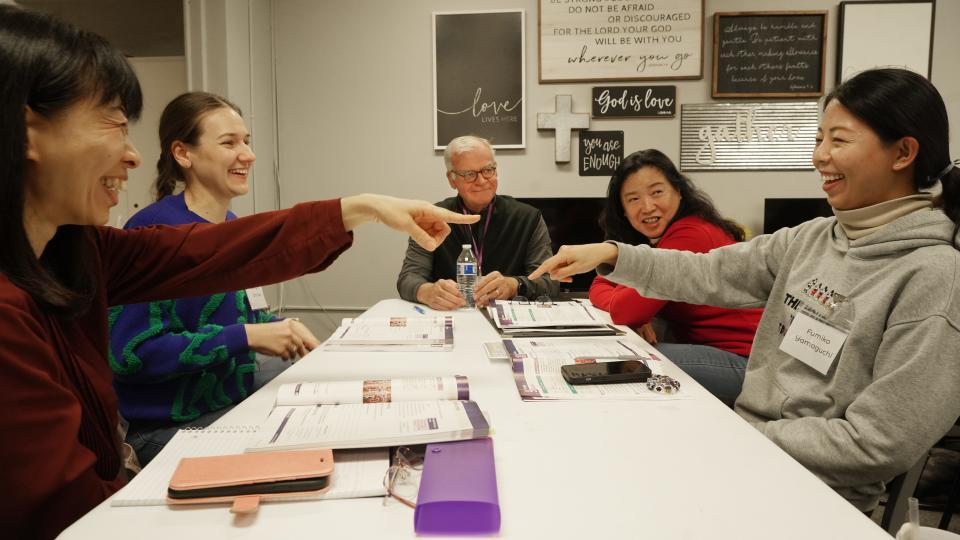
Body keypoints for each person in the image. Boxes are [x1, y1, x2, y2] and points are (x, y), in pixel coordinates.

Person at [0, 6, 478, 538]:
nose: (131, 155)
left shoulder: (76, 247)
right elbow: (64, 508)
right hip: (169, 435)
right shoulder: (31, 299)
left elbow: (223, 251)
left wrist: (358, 207)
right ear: (28, 132)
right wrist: (247, 335)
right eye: (113, 122)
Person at [530, 68, 960, 514]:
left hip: (810, 498)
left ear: (903, 152)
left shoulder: (933, 276)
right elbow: (708, 273)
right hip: (749, 460)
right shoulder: (812, 239)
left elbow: (876, 443)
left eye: (840, 140)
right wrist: (613, 254)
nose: (820, 156)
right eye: (819, 138)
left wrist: (730, 436)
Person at [109, 92, 319, 466]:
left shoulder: (232, 229)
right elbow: (131, 355)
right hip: (170, 427)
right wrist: (249, 336)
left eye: (247, 142)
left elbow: (241, 317)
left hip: (232, 404)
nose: (248, 155)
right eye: (229, 143)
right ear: (183, 153)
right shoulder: (151, 233)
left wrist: (279, 327)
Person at [590, 149, 763, 407]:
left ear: (679, 192)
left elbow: (623, 310)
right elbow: (600, 284)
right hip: (725, 354)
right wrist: (640, 308)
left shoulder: (689, 235)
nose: (647, 206)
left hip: (748, 365)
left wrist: (640, 309)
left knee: (622, 356)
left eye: (657, 192)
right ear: (623, 211)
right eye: (633, 199)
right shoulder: (666, 236)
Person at [397, 135, 559, 310]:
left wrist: (514, 285)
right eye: (469, 174)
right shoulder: (432, 217)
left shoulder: (528, 218)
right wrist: (427, 291)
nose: (481, 181)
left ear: (496, 171)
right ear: (452, 179)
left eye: (487, 170)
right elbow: (408, 278)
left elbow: (550, 281)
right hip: (452, 316)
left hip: (508, 319)